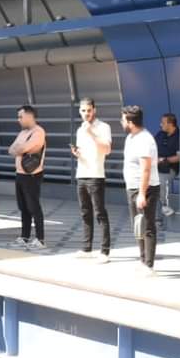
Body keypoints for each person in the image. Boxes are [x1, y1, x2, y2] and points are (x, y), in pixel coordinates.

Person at [72, 98, 113, 262]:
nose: (86, 114)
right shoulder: (79, 129)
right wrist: (77, 153)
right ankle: (86, 248)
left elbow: (107, 149)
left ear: (94, 110)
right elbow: (83, 150)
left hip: (96, 175)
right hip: (81, 174)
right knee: (85, 213)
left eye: (89, 110)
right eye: (83, 111)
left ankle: (105, 251)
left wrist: (91, 133)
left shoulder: (103, 127)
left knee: (99, 213)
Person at [122, 105, 161, 275]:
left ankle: (149, 265)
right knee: (138, 225)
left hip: (146, 188)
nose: (121, 122)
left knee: (147, 226)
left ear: (130, 122)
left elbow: (146, 169)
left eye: (123, 119)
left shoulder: (145, 140)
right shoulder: (131, 138)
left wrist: (142, 194)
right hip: (133, 188)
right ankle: (143, 260)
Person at [9, 105, 46, 250]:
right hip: (20, 174)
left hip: (32, 175)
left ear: (30, 116)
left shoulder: (38, 132)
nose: (18, 119)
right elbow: (11, 149)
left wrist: (20, 148)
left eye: (20, 116)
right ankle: (25, 236)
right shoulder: (23, 132)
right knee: (23, 207)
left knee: (33, 206)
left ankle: (40, 239)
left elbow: (21, 149)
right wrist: (19, 148)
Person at [156, 113, 180, 220]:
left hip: (170, 167)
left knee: (160, 181)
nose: (161, 125)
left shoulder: (179, 136)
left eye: (163, 123)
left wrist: (164, 160)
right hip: (155, 165)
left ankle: (164, 206)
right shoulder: (160, 134)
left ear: (170, 124)